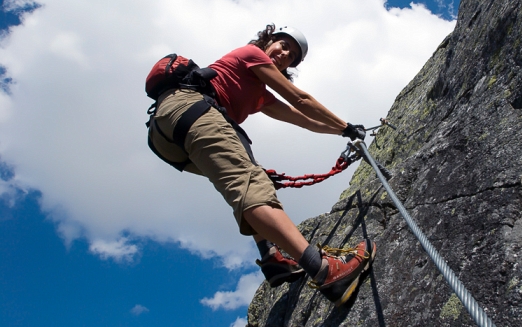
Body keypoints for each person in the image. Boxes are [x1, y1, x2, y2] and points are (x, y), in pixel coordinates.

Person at [148, 24, 376, 307]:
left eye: (291, 56)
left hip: (169, 137)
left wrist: (342, 132)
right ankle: (325, 270)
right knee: (250, 183)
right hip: (192, 110)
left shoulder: (260, 95)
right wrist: (346, 125)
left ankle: (272, 259)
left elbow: (301, 118)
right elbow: (300, 99)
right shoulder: (251, 54)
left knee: (252, 181)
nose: (284, 55)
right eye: (282, 45)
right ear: (268, 41)